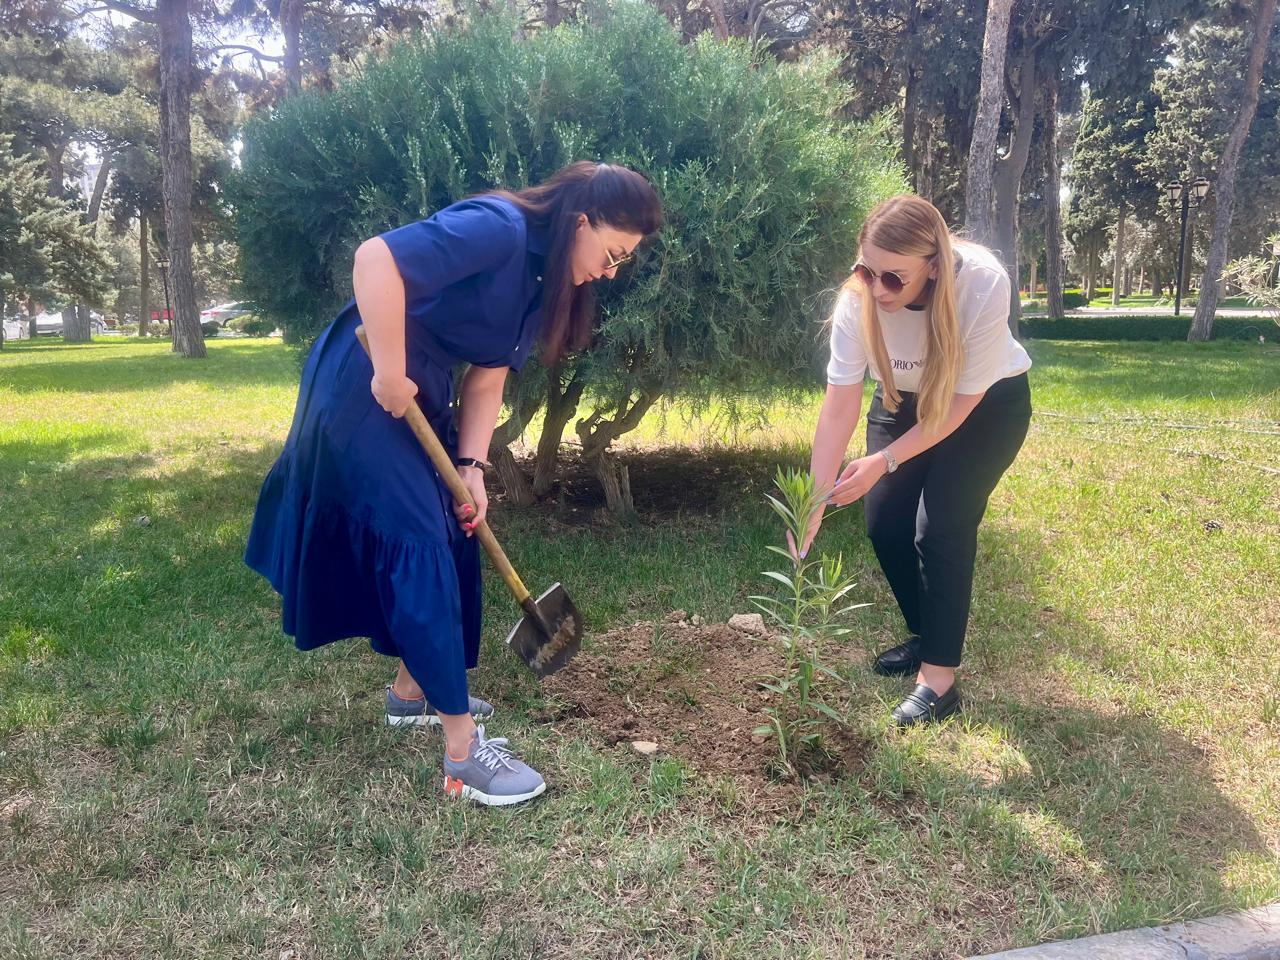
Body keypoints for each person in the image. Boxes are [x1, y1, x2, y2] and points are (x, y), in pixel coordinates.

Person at [246, 162, 663, 804]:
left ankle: (412, 694)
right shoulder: (497, 230)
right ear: (581, 221)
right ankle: (464, 753)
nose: (610, 271)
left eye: (621, 263)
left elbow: (489, 378)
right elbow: (376, 261)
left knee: (453, 522)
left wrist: (471, 468)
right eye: (611, 254)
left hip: (423, 386)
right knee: (418, 538)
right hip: (367, 382)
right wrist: (387, 368)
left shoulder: (542, 279)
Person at [795, 194, 1032, 727]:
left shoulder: (983, 284)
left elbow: (960, 405)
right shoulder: (858, 302)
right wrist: (810, 501)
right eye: (866, 271)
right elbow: (839, 410)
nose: (877, 289)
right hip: (902, 401)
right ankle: (931, 635)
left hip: (985, 407)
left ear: (932, 265)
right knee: (885, 523)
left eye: (894, 278)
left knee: (941, 523)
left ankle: (938, 678)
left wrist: (883, 460)